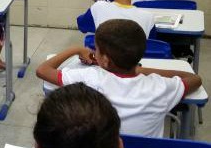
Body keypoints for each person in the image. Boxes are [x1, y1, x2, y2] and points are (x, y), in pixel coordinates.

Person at [36, 19, 202, 138]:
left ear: (105, 60)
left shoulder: (90, 77)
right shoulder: (160, 87)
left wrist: (76, 49)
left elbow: (42, 70)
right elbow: (194, 79)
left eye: (97, 51)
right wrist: (140, 70)